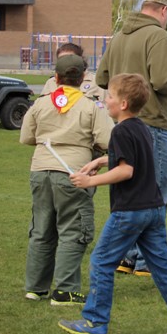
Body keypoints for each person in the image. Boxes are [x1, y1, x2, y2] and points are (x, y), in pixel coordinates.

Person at [59, 74, 167, 334]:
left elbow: (127, 170)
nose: (106, 100)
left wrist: (89, 181)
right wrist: (103, 160)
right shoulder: (141, 127)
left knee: (101, 261)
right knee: (162, 265)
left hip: (130, 212)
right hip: (153, 209)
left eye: (110, 97)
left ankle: (95, 322)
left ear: (124, 103)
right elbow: (132, 158)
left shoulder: (119, 131)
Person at [96, 0, 167, 277]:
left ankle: (128, 256)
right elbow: (162, 79)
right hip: (152, 122)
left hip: (122, 122)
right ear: (164, 11)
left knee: (129, 191)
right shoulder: (158, 36)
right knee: (155, 192)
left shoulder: (119, 35)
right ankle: (149, 261)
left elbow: (101, 78)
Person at [20, 55, 113, 305]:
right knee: (74, 229)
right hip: (73, 171)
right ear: (83, 78)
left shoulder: (40, 104)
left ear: (56, 78)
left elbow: (26, 138)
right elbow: (107, 141)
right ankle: (65, 290)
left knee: (42, 228)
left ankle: (35, 287)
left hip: (40, 170)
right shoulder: (90, 105)